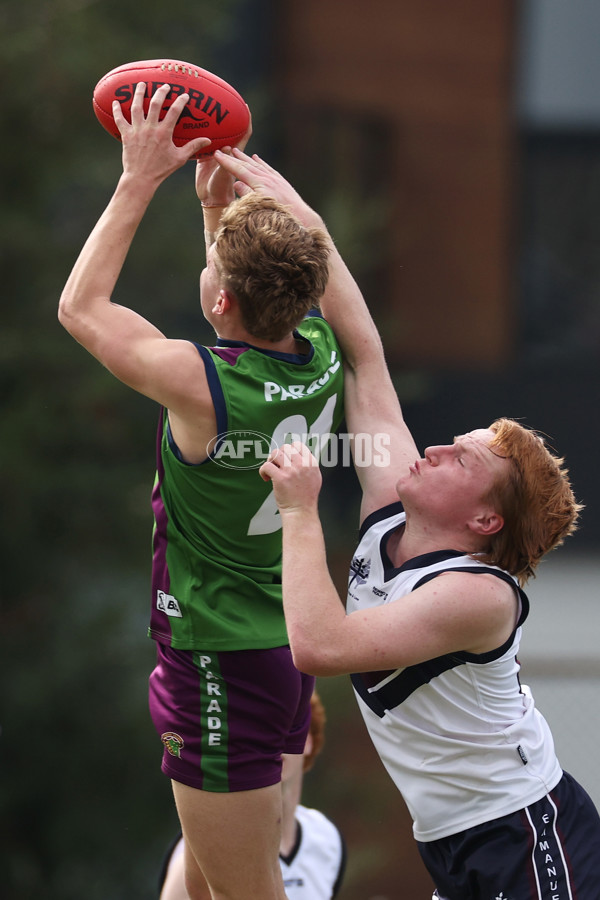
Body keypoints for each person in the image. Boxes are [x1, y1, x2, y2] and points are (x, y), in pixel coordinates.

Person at [213, 148, 600, 899]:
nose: (438, 447)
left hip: (526, 839)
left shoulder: (479, 594)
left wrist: (299, 511)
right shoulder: (394, 505)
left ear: (487, 518)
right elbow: (363, 354)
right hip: (455, 845)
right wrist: (307, 222)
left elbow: (319, 646)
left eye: (464, 458)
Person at [58, 83, 345, 900]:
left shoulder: (201, 386)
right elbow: (248, 307)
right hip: (282, 648)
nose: (207, 263)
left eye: (210, 262)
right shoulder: (318, 347)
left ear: (220, 298)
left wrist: (137, 178)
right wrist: (219, 214)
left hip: (218, 658)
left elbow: (81, 308)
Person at [158, 690, 346, 900]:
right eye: (258, 732)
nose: (273, 744)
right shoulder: (207, 839)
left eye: (286, 728)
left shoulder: (326, 839)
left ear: (309, 740)